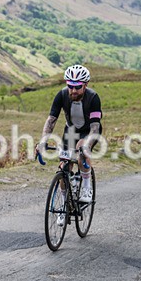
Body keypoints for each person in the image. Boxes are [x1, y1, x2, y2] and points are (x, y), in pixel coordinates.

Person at [36, 65, 103, 225]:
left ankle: (86, 186)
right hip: (71, 130)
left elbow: (95, 127)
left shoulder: (93, 98)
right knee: (63, 167)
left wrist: (86, 144)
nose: (73, 90)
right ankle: (64, 206)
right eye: (70, 86)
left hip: (89, 131)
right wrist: (43, 140)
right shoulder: (61, 95)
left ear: (85, 85)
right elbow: (51, 119)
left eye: (77, 87)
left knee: (81, 151)